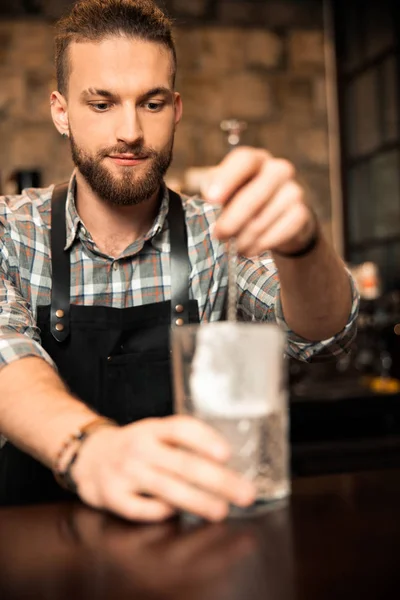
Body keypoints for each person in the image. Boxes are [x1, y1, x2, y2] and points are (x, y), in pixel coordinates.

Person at [0, 0, 358, 522]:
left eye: (151, 103)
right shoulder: (10, 229)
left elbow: (326, 335)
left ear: (177, 109)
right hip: (34, 554)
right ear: (61, 111)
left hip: (198, 550)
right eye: (101, 104)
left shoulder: (222, 232)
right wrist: (89, 448)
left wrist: (301, 244)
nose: (129, 131)